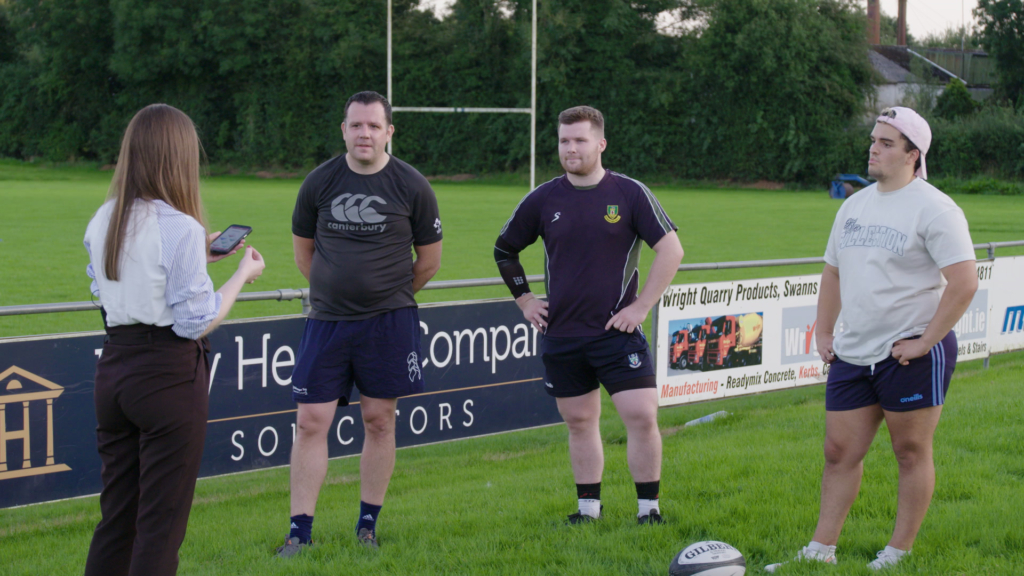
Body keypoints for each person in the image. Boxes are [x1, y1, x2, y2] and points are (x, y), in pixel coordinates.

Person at [766, 107, 978, 572]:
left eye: (885, 142)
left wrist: (925, 342)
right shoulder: (854, 205)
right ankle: (820, 551)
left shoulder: (936, 207)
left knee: (910, 451)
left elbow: (964, 282)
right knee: (839, 452)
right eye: (873, 139)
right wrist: (824, 330)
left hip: (910, 352)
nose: (873, 148)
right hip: (853, 351)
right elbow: (833, 271)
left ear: (912, 154)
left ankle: (896, 553)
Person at [83, 103, 266, 576]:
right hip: (166, 375)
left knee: (116, 519)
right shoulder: (180, 227)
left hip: (114, 370)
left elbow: (105, 287)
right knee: (160, 527)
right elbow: (196, 321)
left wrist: (198, 256)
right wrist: (242, 275)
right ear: (179, 156)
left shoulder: (104, 218)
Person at [493, 105, 684, 525]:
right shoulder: (544, 198)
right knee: (579, 421)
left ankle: (649, 510)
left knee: (642, 415)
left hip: (616, 331)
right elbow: (504, 250)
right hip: (562, 335)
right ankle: (588, 510)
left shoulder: (630, 193)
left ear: (600, 143)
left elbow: (671, 250)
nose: (571, 148)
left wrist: (641, 306)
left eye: (580, 140)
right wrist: (525, 300)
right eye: (564, 140)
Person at [278, 91, 443, 555]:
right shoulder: (319, 182)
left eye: (373, 125)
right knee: (311, 422)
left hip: (388, 323)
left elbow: (429, 261)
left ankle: (367, 526)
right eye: (356, 125)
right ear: (344, 130)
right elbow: (302, 252)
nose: (364, 133)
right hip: (327, 322)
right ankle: (299, 532)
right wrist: (337, 292)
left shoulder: (411, 185)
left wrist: (385, 295)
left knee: (379, 420)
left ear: (389, 131)